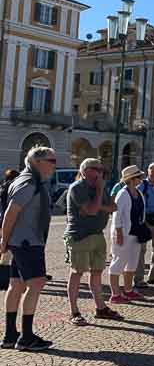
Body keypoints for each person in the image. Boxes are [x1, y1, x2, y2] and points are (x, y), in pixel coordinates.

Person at [1, 146, 56, 350]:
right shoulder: (28, 183)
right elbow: (10, 213)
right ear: (37, 162)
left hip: (23, 241)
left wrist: (7, 241)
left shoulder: (30, 181)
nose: (54, 165)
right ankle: (26, 337)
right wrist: (3, 241)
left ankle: (10, 335)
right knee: (37, 283)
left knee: (16, 285)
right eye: (52, 161)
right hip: (27, 243)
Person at [64, 158, 122, 326]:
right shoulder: (77, 188)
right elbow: (90, 210)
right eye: (98, 169)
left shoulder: (100, 187)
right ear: (86, 171)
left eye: (102, 169)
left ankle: (100, 307)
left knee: (96, 272)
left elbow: (113, 207)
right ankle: (74, 311)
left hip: (97, 234)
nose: (101, 172)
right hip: (80, 236)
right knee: (77, 272)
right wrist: (99, 193)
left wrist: (99, 202)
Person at [108, 166, 147, 303]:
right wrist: (118, 233)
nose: (141, 179)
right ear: (131, 179)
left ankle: (128, 290)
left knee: (132, 263)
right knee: (118, 262)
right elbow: (116, 215)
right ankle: (115, 294)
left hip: (136, 233)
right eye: (138, 177)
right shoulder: (123, 194)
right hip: (123, 233)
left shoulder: (138, 193)